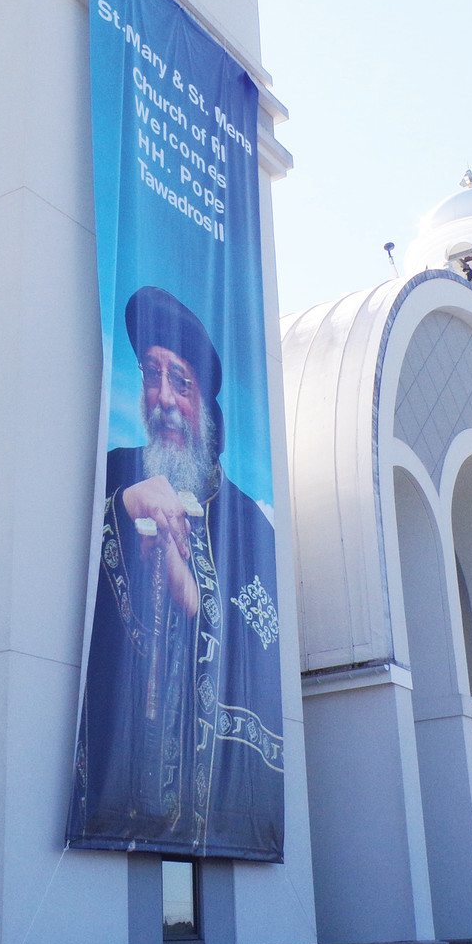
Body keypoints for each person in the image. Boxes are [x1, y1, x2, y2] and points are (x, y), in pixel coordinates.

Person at [68, 286, 284, 862]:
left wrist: (195, 603)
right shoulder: (109, 476)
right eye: (151, 374)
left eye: (181, 382)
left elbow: (259, 664)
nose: (162, 397)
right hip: (106, 801)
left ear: (206, 409)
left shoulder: (250, 530)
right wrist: (120, 510)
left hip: (214, 822)